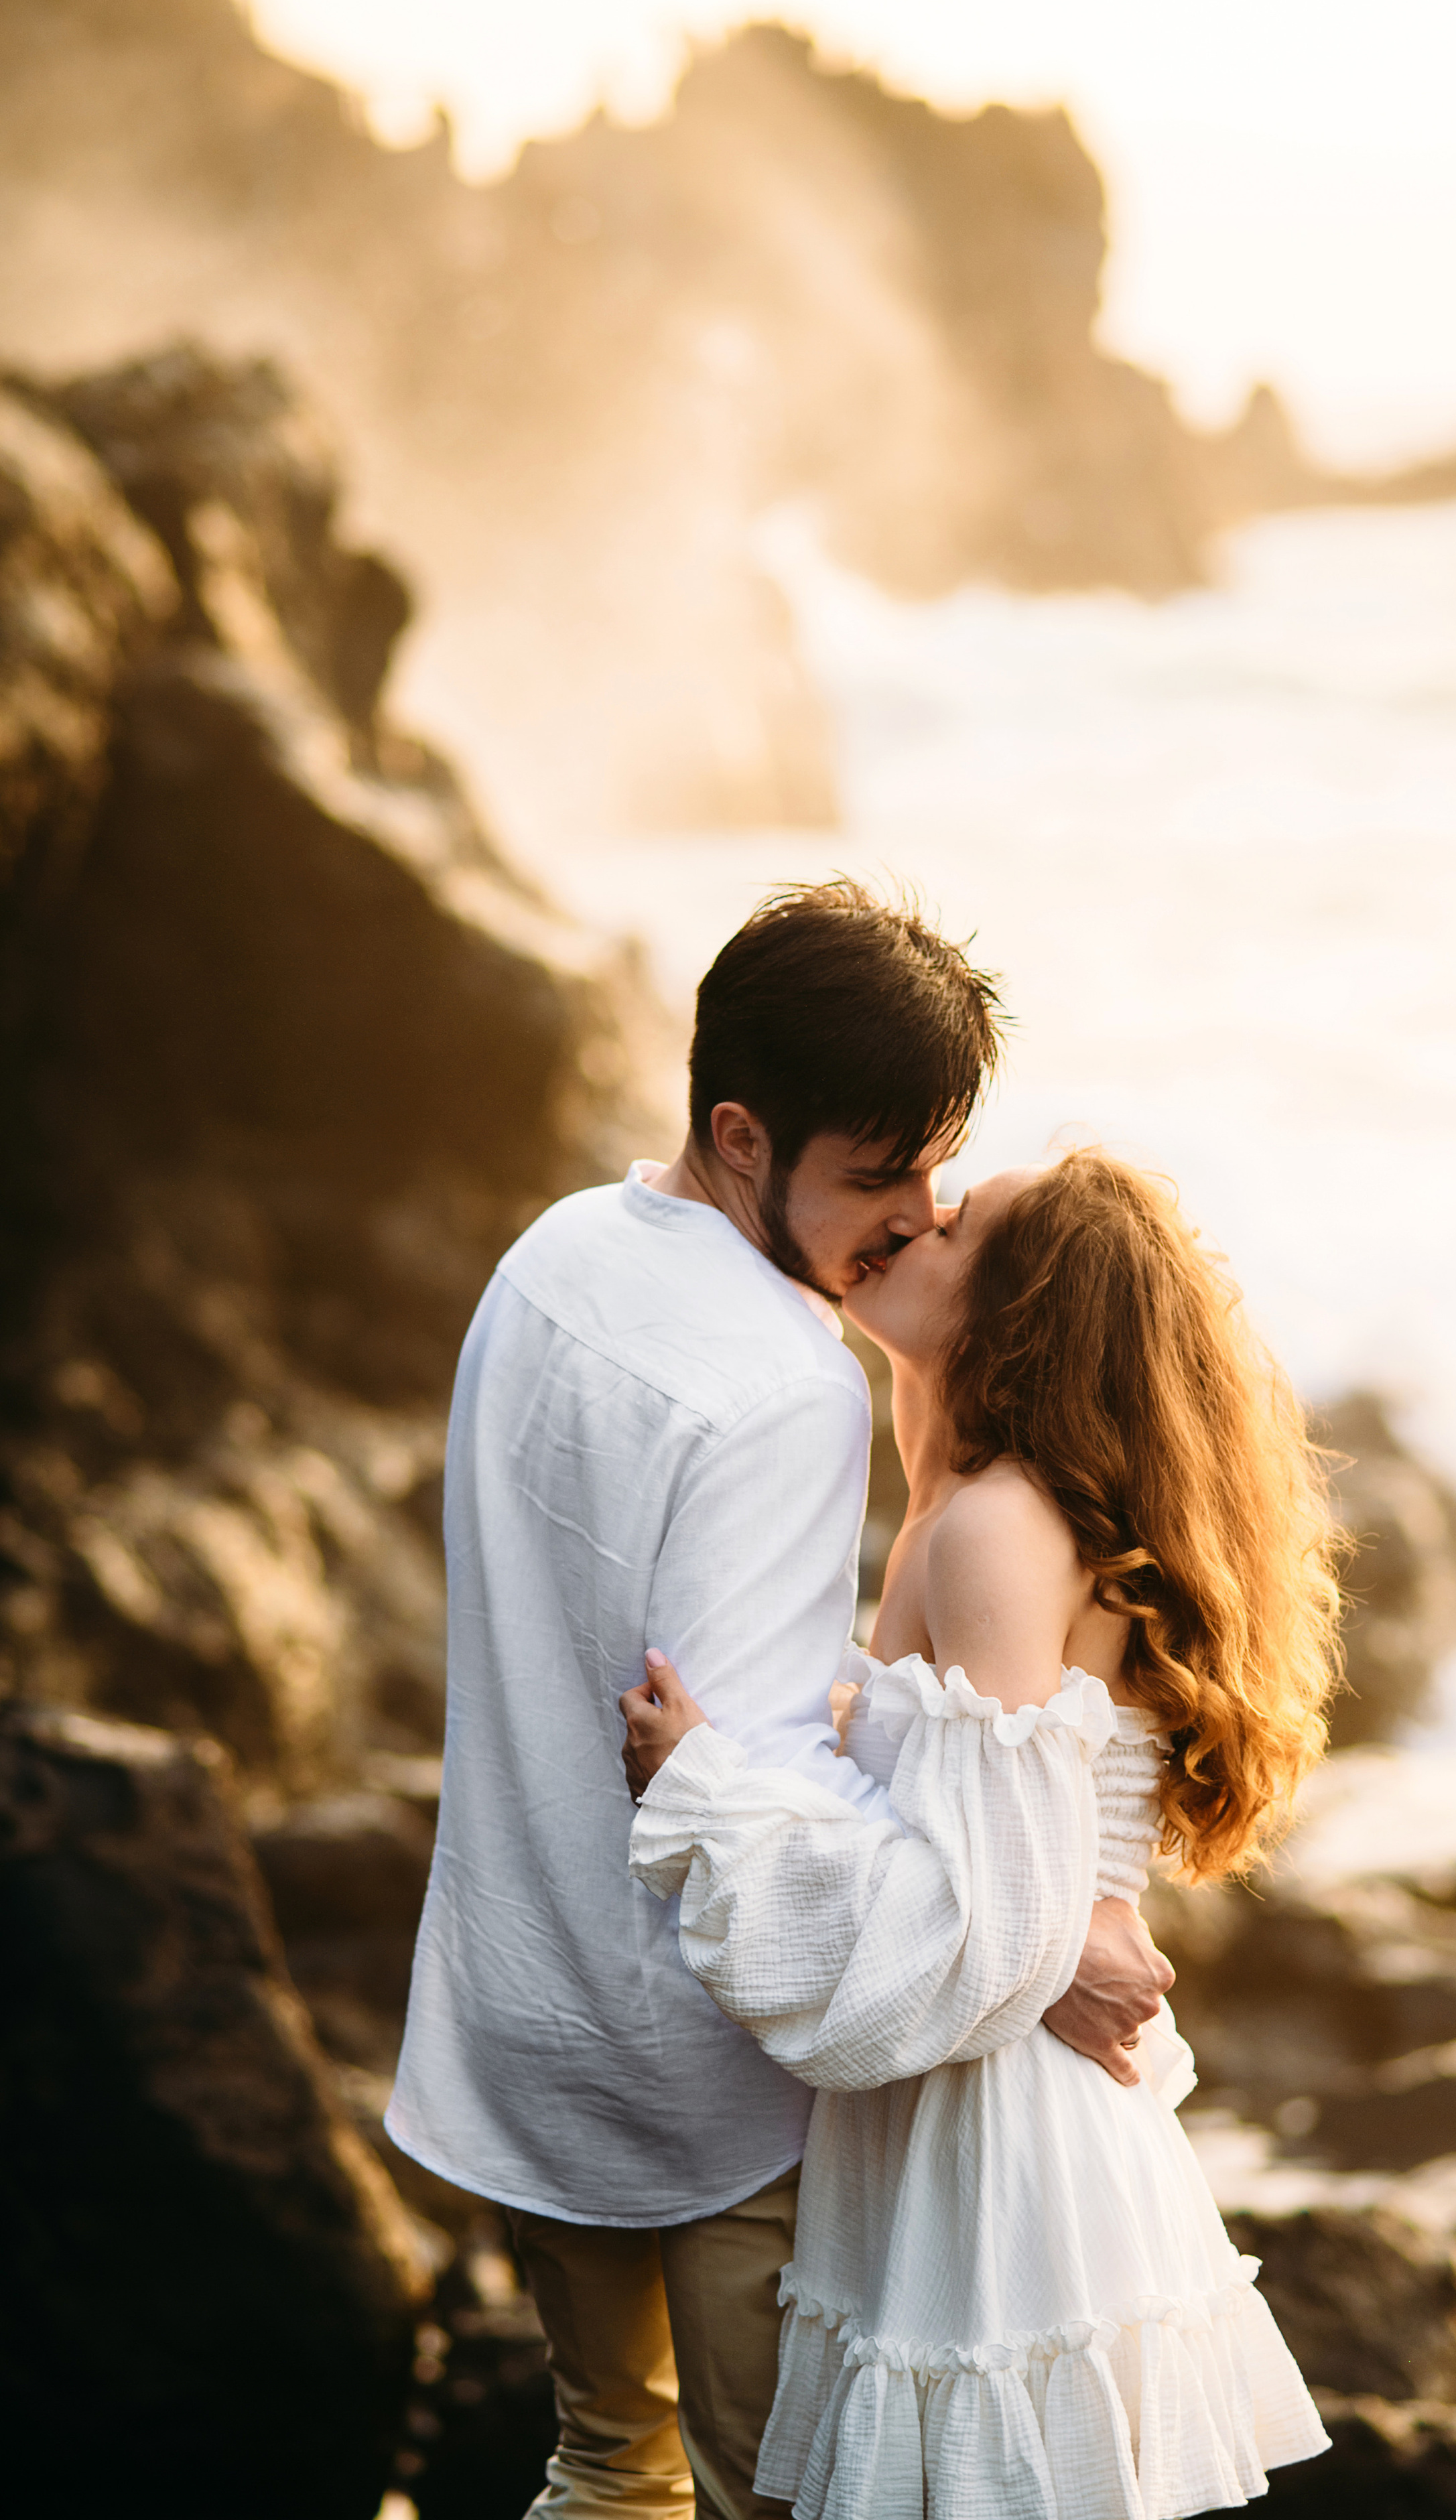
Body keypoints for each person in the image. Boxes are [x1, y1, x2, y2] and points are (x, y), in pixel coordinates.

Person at [386, 884, 1177, 2520]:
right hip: (707, 2077)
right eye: (876, 1176)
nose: (913, 1214)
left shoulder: (551, 1257)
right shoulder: (782, 1384)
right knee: (782, 2501)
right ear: (743, 1139)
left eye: (933, 1170)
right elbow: (746, 1782)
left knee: (604, 2466)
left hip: (525, 2003)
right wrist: (1028, 1946)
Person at [622, 1150, 1344, 2519]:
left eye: (958, 1225)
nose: (915, 1221)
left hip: (999, 2144)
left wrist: (702, 1792)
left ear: (1020, 1313)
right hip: (979, 2116)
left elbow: (968, 1916)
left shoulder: (996, 1532)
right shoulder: (970, 1507)